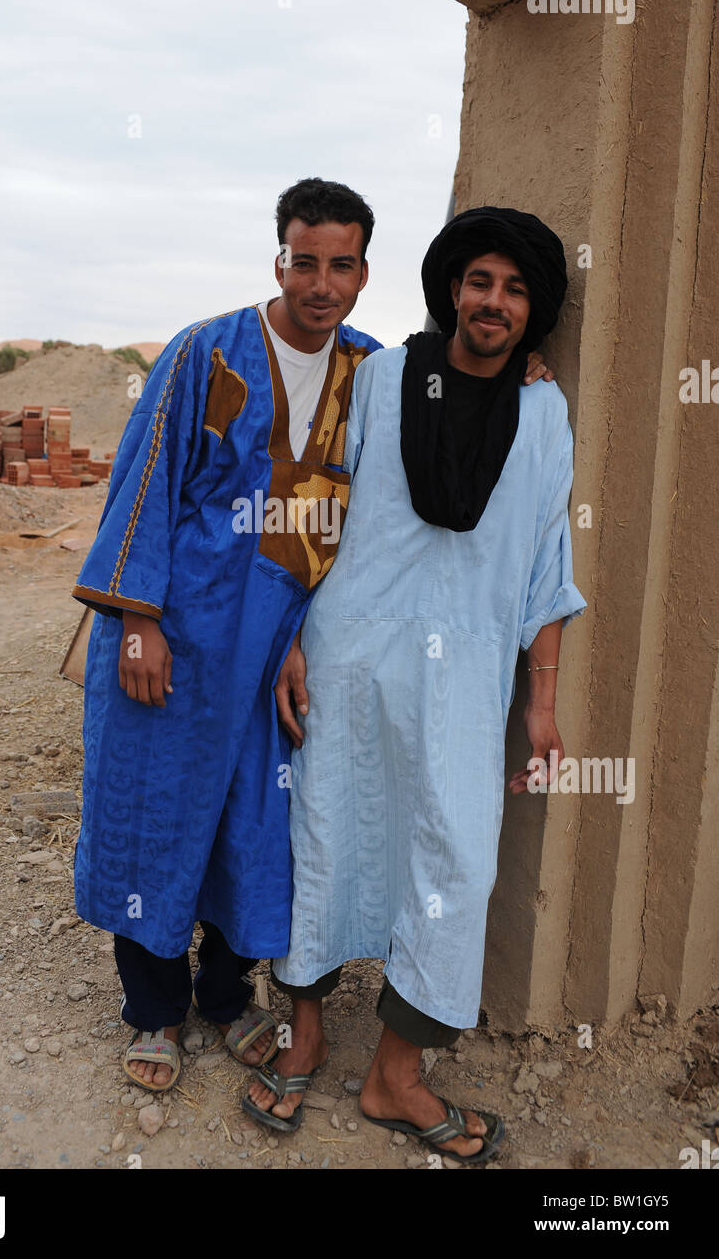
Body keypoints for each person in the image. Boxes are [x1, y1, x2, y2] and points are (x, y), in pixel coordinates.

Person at [243, 207, 586, 1163]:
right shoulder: (385, 376)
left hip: (468, 673)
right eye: (480, 281)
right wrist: (290, 640)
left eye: (516, 289)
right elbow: (317, 507)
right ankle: (303, 1031)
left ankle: (395, 1074)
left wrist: (541, 700)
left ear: (535, 310)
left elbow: (544, 566)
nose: (494, 301)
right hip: (348, 652)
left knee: (453, 861)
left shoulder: (544, 410)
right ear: (450, 289)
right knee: (324, 829)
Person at [71, 178, 382, 1090]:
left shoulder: (371, 371)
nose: (321, 282)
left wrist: (524, 372)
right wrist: (137, 622)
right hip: (182, 632)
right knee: (156, 813)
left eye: (341, 264)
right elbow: (143, 486)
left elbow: (452, 402)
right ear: (278, 259)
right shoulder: (205, 352)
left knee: (259, 822)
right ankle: (154, 1012)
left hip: (283, 646)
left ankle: (227, 997)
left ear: (364, 271)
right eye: (304, 260)